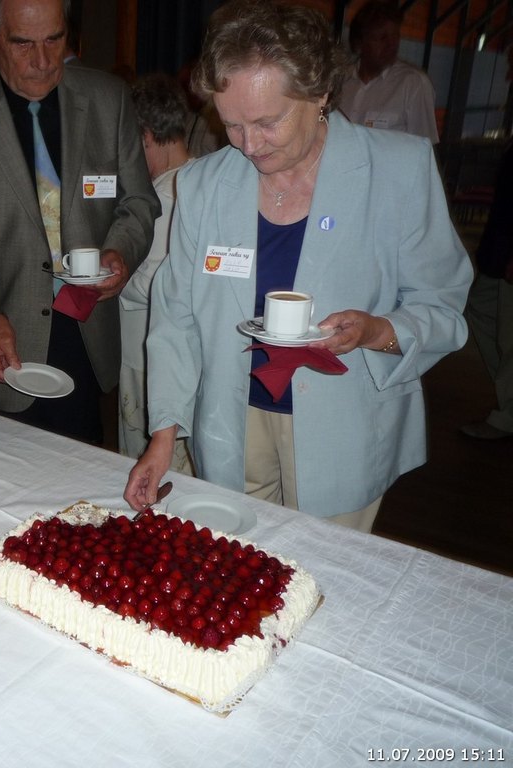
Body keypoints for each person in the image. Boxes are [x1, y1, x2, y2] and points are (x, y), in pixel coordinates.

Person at [123, 0, 471, 533]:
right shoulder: (202, 185)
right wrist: (164, 435)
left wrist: (379, 331)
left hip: (343, 425)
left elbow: (442, 305)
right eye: (231, 124)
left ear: (320, 92)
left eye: (268, 122)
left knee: (322, 569)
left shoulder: (399, 170)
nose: (248, 145)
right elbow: (175, 317)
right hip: (230, 421)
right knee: (239, 564)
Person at [0, 0, 158, 445]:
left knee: (81, 471)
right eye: (23, 44)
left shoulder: (108, 100)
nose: (43, 61)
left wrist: (121, 252)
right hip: (1, 335)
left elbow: (139, 202)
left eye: (54, 39)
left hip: (86, 327)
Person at [118, 72, 193, 471]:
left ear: (145, 137)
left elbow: (158, 283)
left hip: (147, 352)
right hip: (171, 351)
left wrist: (108, 277)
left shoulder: (167, 196)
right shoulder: (200, 178)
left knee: (143, 456)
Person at [462, 141, 513, 440]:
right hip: (499, 249)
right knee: (479, 306)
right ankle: (508, 393)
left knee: (509, 337)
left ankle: (507, 417)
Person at [337, 0, 438, 143]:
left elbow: (426, 147)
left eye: (395, 36)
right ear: (359, 43)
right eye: (382, 38)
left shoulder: (413, 83)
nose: (391, 44)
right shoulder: (340, 81)